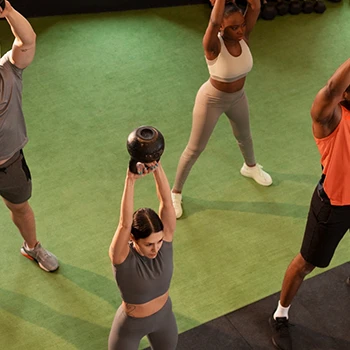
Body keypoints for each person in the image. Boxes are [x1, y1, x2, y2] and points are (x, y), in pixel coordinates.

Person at [270, 59, 350, 350]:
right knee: (306, 263)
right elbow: (330, 89)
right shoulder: (330, 120)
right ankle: (280, 314)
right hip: (333, 206)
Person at [171, 0, 272, 219]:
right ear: (220, 29)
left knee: (244, 136)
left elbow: (254, 6)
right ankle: (175, 193)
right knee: (195, 148)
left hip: (238, 98)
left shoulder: (243, 38)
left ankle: (250, 167)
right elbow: (214, 19)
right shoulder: (212, 44)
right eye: (234, 27)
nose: (240, 30)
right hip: (212, 100)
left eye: (242, 25)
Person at [0, 1, 59, 272]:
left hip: (9, 163)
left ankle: (32, 247)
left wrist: (8, 12)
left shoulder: (8, 72)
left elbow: (27, 39)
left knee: (21, 207)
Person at [108, 161, 178, 349]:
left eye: (159, 241)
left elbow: (166, 202)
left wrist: (157, 165)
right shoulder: (121, 257)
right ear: (133, 238)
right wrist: (130, 180)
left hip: (164, 318)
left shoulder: (165, 241)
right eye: (148, 244)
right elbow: (124, 223)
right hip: (131, 327)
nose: (156, 249)